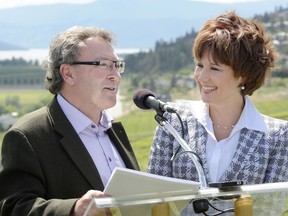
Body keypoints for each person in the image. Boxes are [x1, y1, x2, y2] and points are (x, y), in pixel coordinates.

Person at [0, 26, 140, 216]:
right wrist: (73, 210)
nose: (114, 75)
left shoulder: (114, 129)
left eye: (117, 65)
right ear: (68, 73)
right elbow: (13, 208)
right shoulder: (28, 136)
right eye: (103, 64)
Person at [148, 10, 288, 194]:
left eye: (214, 68)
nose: (202, 77)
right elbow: (153, 197)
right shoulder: (173, 121)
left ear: (243, 75)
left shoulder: (278, 137)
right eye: (199, 65)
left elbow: (269, 208)